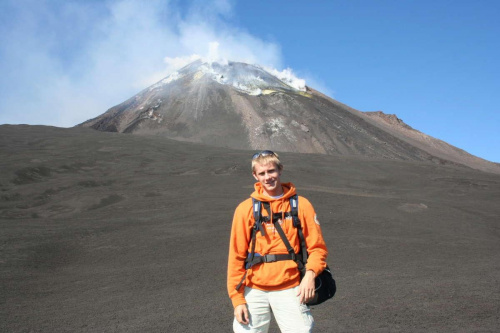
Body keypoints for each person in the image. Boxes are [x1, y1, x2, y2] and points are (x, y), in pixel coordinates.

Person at [227, 150, 328, 332]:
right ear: (255, 175)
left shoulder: (301, 205)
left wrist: (310, 275)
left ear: (280, 170)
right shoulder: (245, 209)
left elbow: (318, 248)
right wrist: (237, 299)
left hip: (290, 286)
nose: (268, 177)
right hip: (254, 287)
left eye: (271, 171)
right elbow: (236, 257)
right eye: (262, 173)